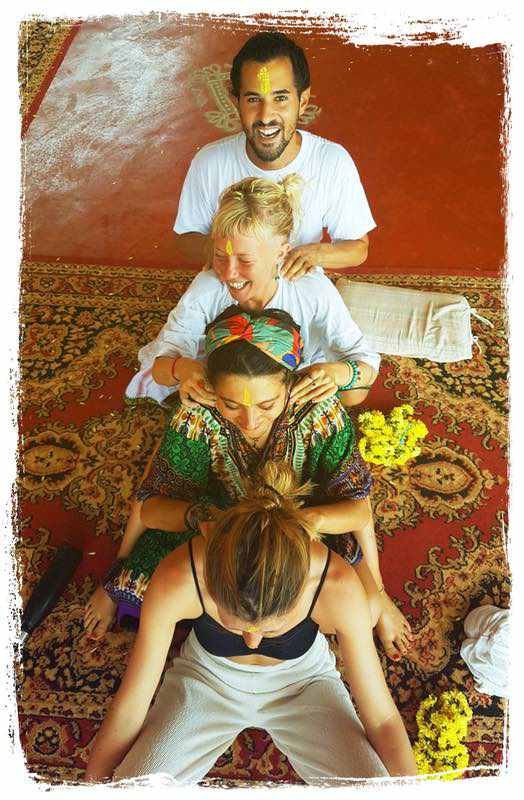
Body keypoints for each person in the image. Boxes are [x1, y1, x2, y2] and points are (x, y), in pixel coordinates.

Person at [85, 307, 412, 663]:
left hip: (306, 526)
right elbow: (152, 504)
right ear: (212, 389)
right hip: (215, 522)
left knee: (363, 612)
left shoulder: (322, 412)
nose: (251, 420)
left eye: (267, 404)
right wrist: (197, 523)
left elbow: (357, 507)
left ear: (291, 383)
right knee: (138, 596)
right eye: (231, 404)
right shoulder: (197, 415)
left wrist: (375, 587)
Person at [84, 460, 417, 785]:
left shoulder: (337, 586)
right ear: (209, 579)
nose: (252, 641)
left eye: (270, 629)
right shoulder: (179, 576)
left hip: (305, 684)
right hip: (206, 678)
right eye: (234, 624)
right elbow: (131, 705)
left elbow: (383, 719)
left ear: (303, 587)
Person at [126, 174, 379, 407]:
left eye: (245, 261)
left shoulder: (311, 290)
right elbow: (161, 369)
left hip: (297, 381)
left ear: (281, 252)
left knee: (350, 394)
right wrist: (185, 369)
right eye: (220, 256)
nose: (228, 273)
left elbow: (365, 368)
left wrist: (335, 374)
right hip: (225, 377)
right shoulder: (208, 287)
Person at [173, 30, 376, 280]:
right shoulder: (209, 161)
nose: (266, 116)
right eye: (253, 99)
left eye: (280, 98)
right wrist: (235, 253)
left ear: (303, 101)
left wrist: (314, 255)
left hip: (298, 285)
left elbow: (358, 248)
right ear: (235, 101)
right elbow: (186, 238)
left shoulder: (332, 160)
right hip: (231, 284)